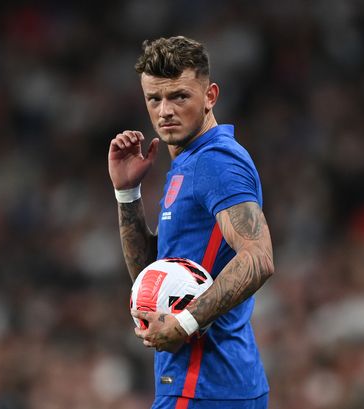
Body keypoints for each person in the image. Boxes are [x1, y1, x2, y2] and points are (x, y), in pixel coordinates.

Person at [108, 36, 274, 409]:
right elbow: (149, 279)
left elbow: (259, 256)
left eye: (179, 96)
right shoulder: (188, 162)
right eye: (155, 99)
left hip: (203, 385)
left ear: (210, 96)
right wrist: (127, 194)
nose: (165, 110)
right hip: (209, 383)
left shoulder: (216, 162)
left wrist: (184, 323)